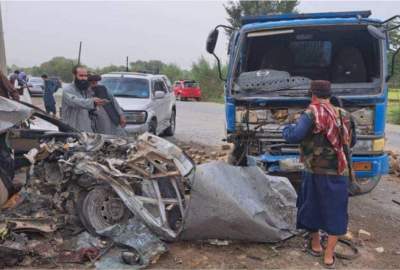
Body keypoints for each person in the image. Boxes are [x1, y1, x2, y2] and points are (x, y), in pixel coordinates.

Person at [282, 80, 356, 268]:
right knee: (336, 211)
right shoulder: (345, 115)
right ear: (330, 95)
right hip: (339, 171)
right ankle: (329, 256)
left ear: (313, 95)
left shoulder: (311, 113)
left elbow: (294, 136)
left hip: (314, 170)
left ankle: (315, 245)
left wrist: (286, 128)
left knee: (311, 206)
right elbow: (352, 141)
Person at [61, 65, 108, 132]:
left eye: (85, 76)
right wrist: (92, 102)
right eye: (81, 76)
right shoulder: (68, 89)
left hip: (85, 128)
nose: (84, 78)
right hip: (71, 127)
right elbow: (76, 102)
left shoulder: (85, 90)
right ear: (74, 76)